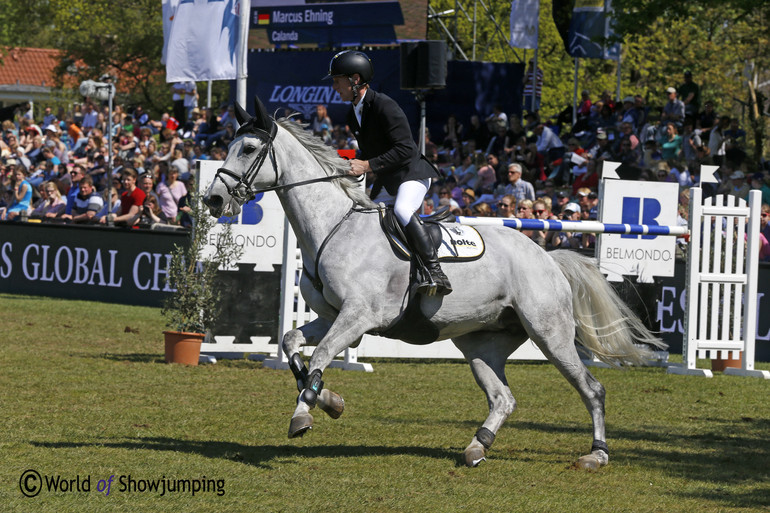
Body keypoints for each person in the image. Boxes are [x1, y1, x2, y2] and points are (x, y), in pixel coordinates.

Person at [326, 50, 450, 295]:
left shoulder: (384, 104)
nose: (334, 86)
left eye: (337, 80)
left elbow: (405, 149)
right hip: (389, 179)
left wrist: (367, 165)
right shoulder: (354, 114)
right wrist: (345, 164)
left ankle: (435, 271)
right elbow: (368, 150)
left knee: (403, 210)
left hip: (412, 173)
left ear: (355, 79)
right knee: (365, 219)